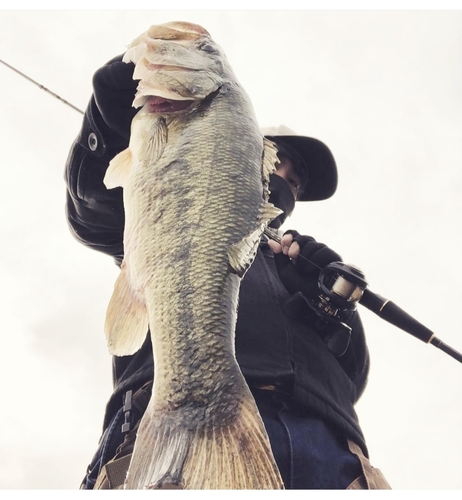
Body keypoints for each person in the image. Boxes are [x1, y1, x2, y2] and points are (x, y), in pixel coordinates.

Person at [64, 54, 391, 490]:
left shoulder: (301, 264)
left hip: (330, 451)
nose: (286, 179)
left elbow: (354, 377)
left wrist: (333, 305)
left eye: (296, 181)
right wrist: (107, 126)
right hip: (165, 420)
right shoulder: (167, 201)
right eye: (278, 160)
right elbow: (92, 208)